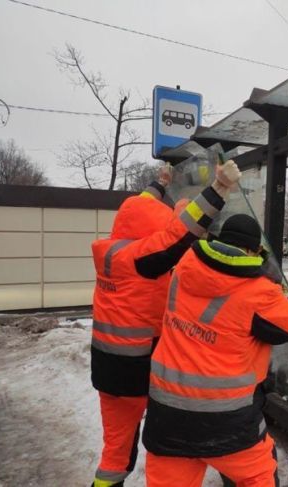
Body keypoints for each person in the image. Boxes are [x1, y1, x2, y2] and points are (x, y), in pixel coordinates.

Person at [89, 160, 241, 487]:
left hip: (106, 370)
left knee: (115, 452)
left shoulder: (111, 254)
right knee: (176, 442)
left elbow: (143, 208)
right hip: (140, 371)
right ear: (150, 231)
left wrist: (160, 184)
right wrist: (219, 188)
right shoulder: (141, 257)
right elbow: (180, 232)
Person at [143, 214, 288, 487]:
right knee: (258, 478)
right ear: (254, 251)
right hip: (228, 421)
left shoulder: (185, 266)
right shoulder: (257, 291)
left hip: (167, 413)